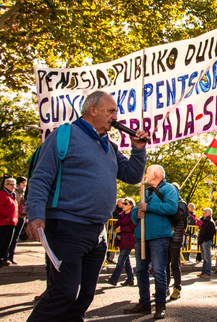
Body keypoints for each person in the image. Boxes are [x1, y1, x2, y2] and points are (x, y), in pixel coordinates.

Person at [25, 90, 147, 321]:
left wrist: (138, 149)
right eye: (111, 111)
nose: (115, 117)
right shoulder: (65, 135)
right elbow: (40, 178)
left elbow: (132, 175)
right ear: (92, 110)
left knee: (85, 296)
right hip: (66, 227)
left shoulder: (108, 146)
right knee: (64, 292)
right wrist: (35, 214)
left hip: (97, 232)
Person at [124, 165, 178, 319]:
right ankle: (144, 302)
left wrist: (148, 207)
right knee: (140, 270)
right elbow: (134, 216)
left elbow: (171, 208)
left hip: (159, 236)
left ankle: (160, 304)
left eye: (147, 172)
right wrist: (138, 213)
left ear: (155, 174)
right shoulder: (144, 192)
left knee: (159, 271)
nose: (144, 175)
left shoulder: (169, 189)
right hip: (142, 237)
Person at [106, 197, 137, 286]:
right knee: (126, 260)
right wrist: (116, 228)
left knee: (121, 260)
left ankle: (113, 279)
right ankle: (130, 279)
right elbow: (116, 224)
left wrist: (121, 228)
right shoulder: (121, 214)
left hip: (128, 240)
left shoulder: (132, 215)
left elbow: (133, 227)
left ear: (131, 206)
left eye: (125, 203)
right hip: (120, 240)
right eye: (123, 203)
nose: (123, 205)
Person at [166, 183, 187, 301]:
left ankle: (177, 288)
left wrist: (166, 208)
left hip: (176, 238)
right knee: (165, 264)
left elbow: (175, 217)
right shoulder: (168, 203)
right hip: (166, 236)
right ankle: (165, 287)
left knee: (174, 264)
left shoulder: (181, 204)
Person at [5, 176, 26, 265]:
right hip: (15, 217)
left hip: (21, 217)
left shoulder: (22, 192)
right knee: (10, 238)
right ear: (20, 183)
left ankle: (11, 256)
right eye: (24, 182)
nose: (25, 184)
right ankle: (6, 256)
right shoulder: (15, 193)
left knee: (15, 238)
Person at [0, 178, 18, 267]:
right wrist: (8, 215)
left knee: (7, 242)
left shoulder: (12, 195)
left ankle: (3, 258)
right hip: (4, 222)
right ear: (6, 185)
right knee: (2, 241)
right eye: (12, 184)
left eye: (14, 185)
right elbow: (1, 207)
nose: (13, 187)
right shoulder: (3, 194)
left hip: (11, 222)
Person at [197, 207, 215, 278]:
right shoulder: (205, 221)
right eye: (204, 212)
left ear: (209, 213)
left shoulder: (210, 222)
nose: (204, 213)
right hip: (203, 241)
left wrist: (205, 240)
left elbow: (210, 233)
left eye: (205, 212)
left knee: (207, 258)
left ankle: (207, 272)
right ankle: (204, 272)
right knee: (204, 258)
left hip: (206, 241)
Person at [107, 198, 125, 264]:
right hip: (112, 227)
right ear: (118, 203)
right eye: (121, 203)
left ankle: (111, 258)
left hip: (120, 229)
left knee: (114, 244)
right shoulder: (114, 209)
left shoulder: (124, 210)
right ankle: (108, 258)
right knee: (111, 242)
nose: (123, 204)